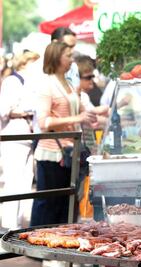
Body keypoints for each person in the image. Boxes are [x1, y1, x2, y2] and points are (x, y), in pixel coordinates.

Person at [30, 42, 97, 228]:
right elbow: (44, 123)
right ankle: (38, 244)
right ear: (57, 58)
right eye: (68, 55)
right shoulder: (47, 85)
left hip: (69, 152)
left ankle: (58, 244)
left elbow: (80, 112)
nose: (71, 59)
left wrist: (92, 116)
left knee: (65, 202)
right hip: (52, 153)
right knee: (50, 202)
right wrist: (78, 117)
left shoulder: (67, 84)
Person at [0, 51, 40, 229]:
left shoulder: (30, 83)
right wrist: (26, 111)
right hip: (14, 136)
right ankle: (10, 223)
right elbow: (4, 110)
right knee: (14, 180)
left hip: (28, 136)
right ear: (25, 63)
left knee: (25, 180)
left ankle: (20, 222)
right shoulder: (13, 81)